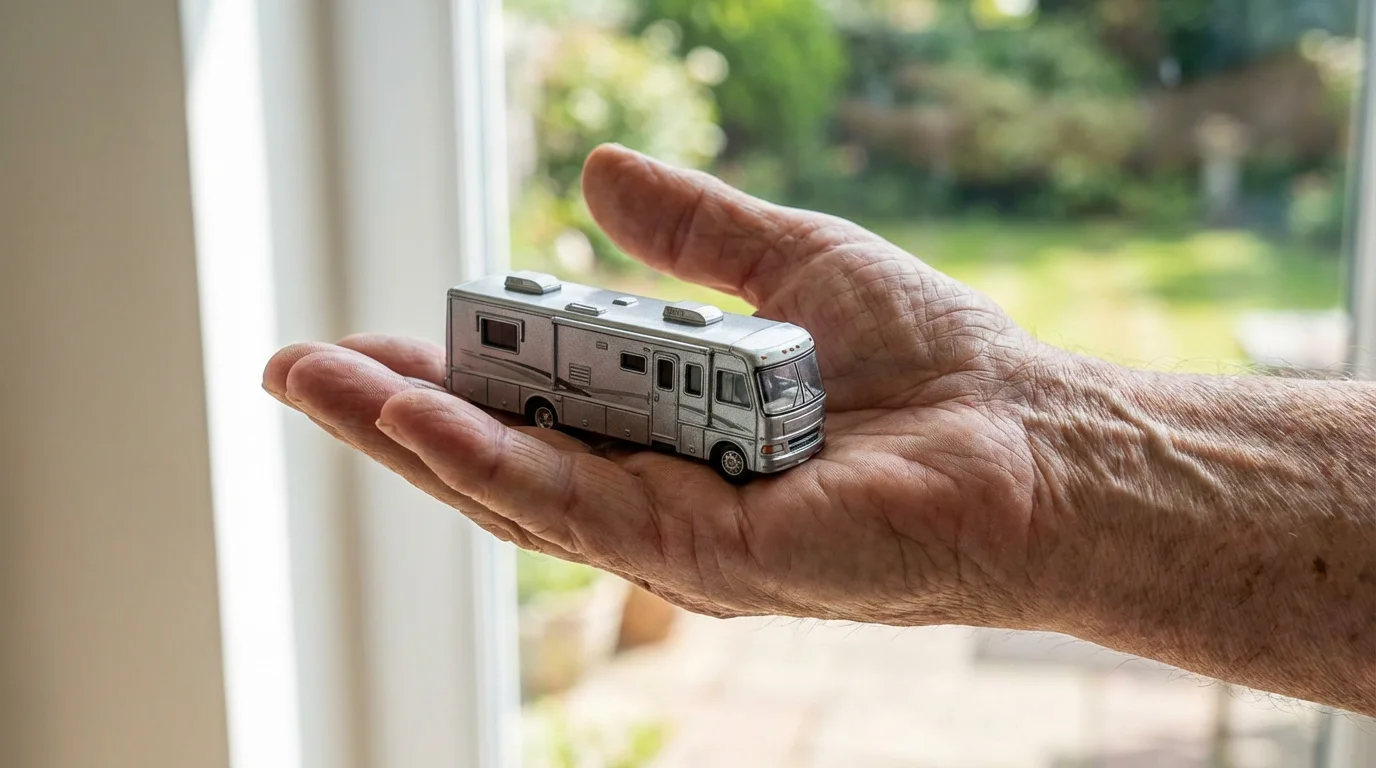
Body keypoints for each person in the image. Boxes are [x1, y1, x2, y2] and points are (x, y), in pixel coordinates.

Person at [264, 144, 1376, 715]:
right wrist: (1048, 450)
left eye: (798, 385)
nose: (797, 413)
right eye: (780, 390)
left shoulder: (767, 398)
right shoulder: (729, 402)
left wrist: (1041, 458)